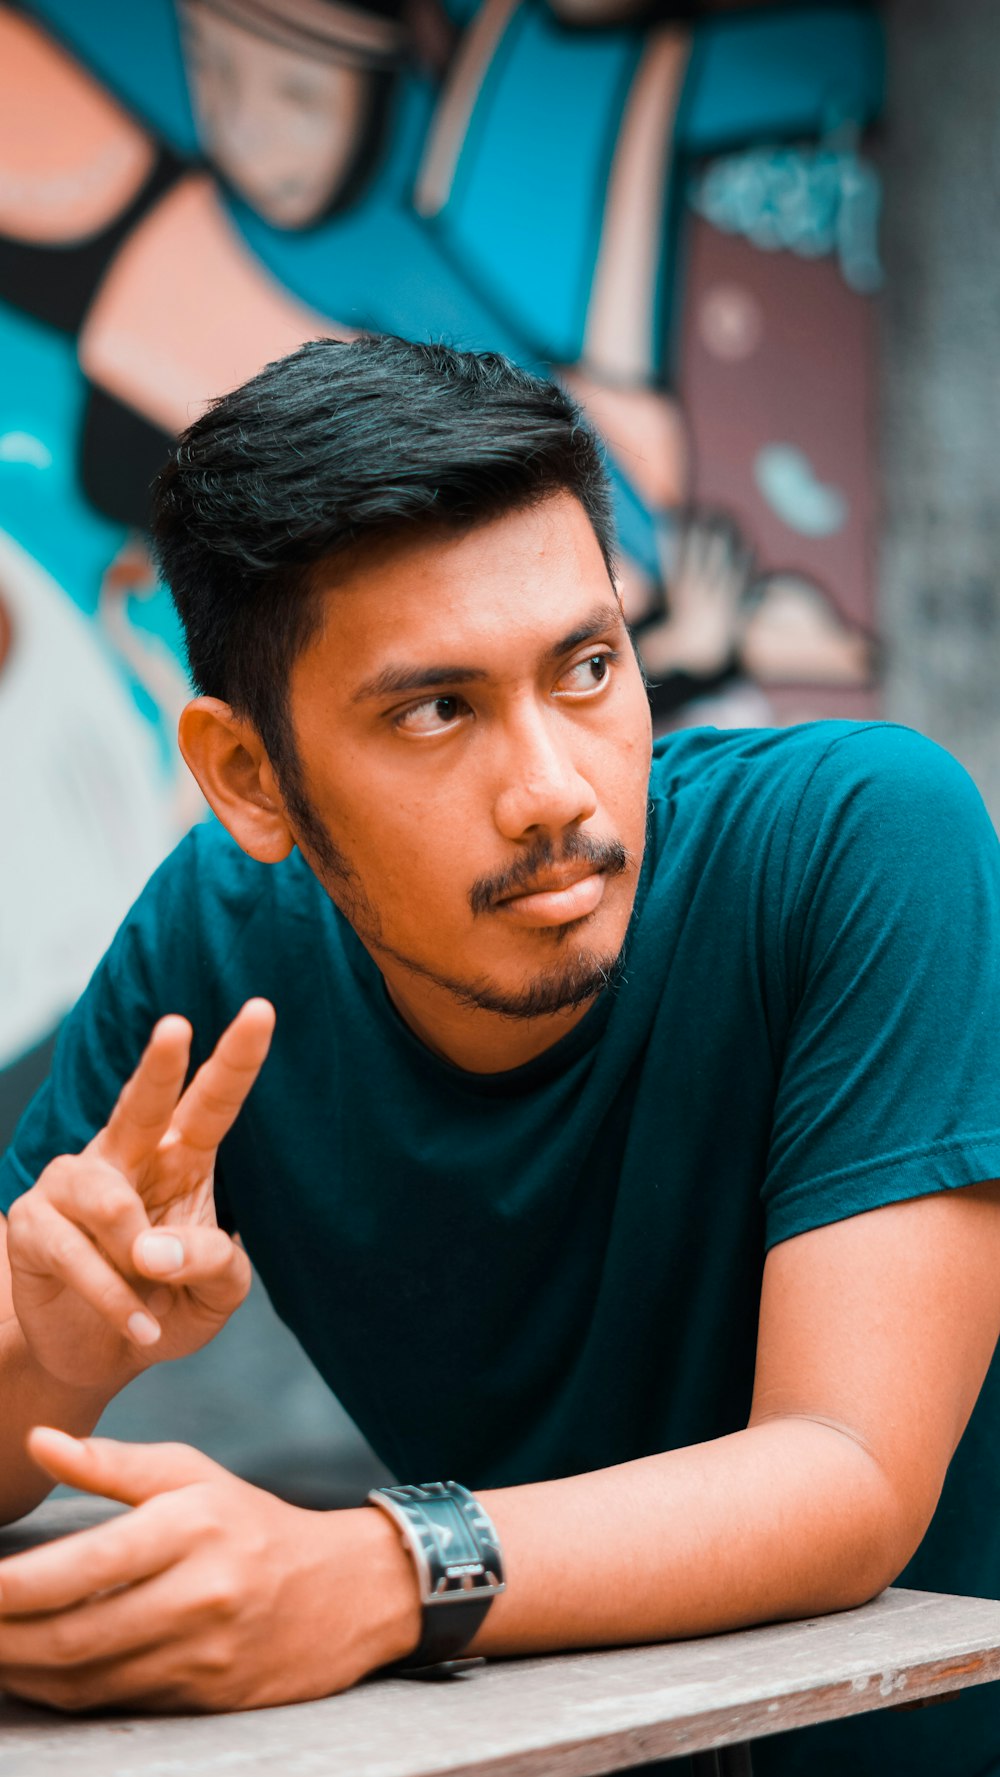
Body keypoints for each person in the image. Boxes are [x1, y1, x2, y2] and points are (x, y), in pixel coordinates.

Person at [0, 336, 999, 1777]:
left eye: (588, 667)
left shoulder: (860, 843)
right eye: (435, 709)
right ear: (248, 777)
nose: (551, 789)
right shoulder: (216, 953)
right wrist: (51, 1362)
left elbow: (848, 1471)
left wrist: (372, 1571)